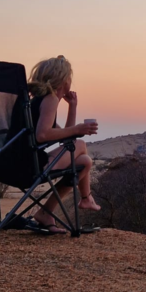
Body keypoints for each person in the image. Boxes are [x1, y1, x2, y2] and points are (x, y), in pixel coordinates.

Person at [27, 55, 100, 233]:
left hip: (24, 161)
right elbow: (43, 134)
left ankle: (47, 212)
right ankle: (86, 198)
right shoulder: (50, 99)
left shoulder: (38, 101)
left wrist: (72, 107)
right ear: (63, 79)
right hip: (31, 165)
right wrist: (78, 129)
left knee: (84, 162)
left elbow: (67, 141)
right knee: (81, 145)